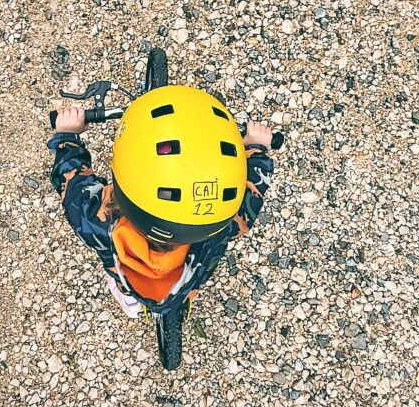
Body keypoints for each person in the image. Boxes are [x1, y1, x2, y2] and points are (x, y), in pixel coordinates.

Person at [47, 85, 275, 317]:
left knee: (123, 280)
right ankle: (170, 297)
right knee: (183, 286)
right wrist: (257, 148)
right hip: (183, 284)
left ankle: (130, 299)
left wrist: (67, 136)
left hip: (130, 274)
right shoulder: (222, 225)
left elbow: (71, 179)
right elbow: (252, 192)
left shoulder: (96, 220)